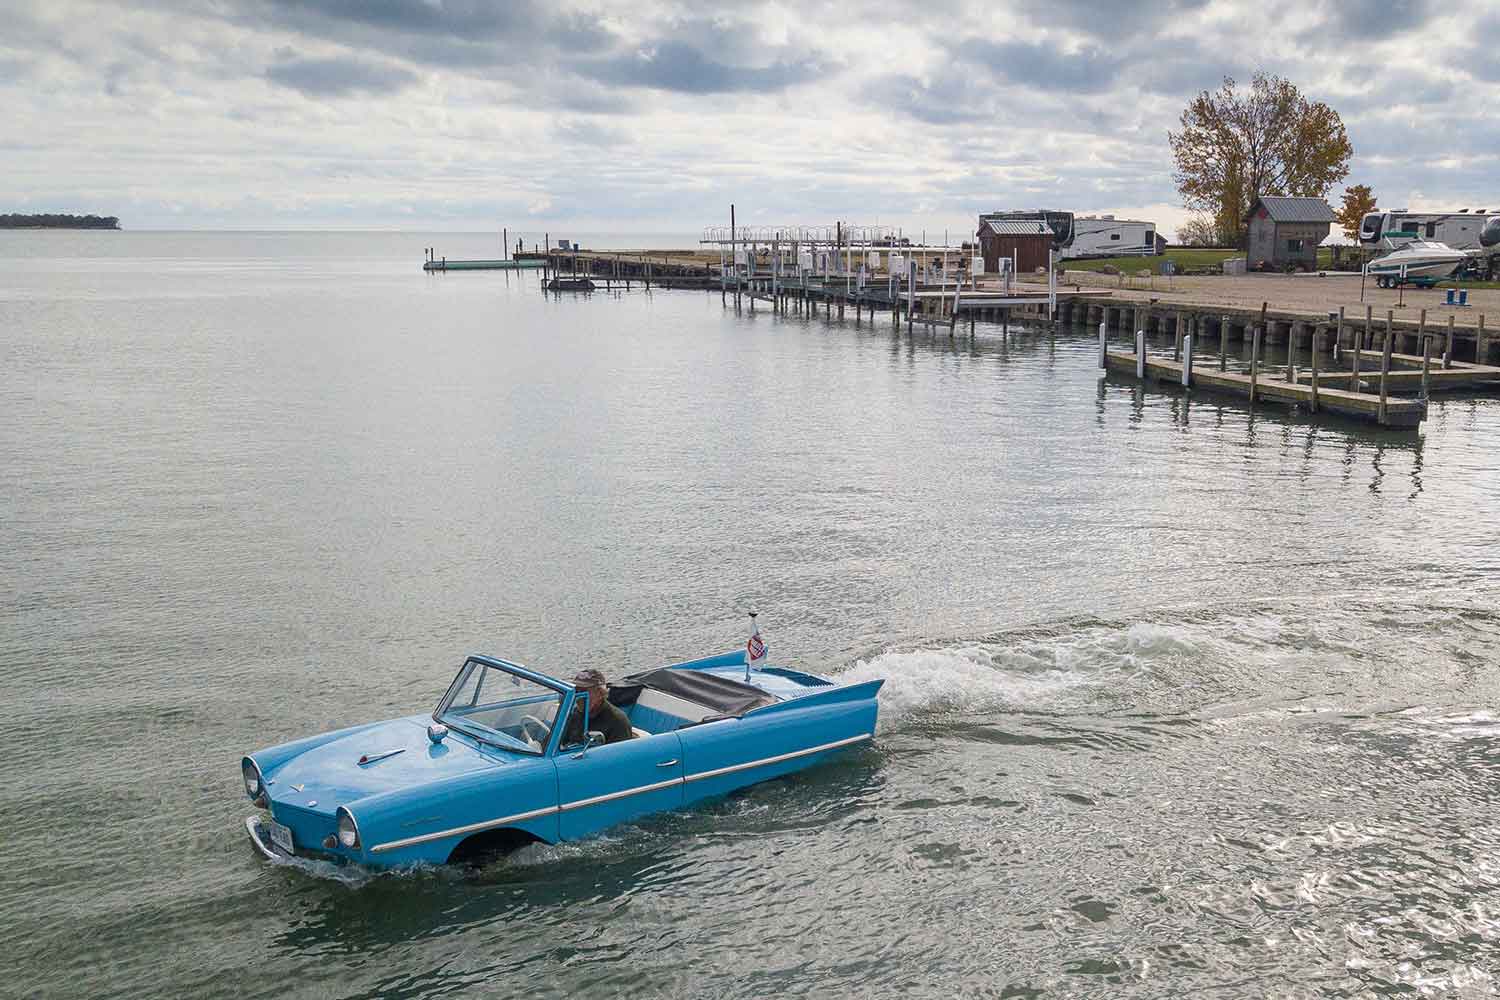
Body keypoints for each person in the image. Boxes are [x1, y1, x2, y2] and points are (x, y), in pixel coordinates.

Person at [561, 669, 634, 748]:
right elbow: (561, 742)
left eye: (583, 691)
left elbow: (618, 756)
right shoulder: (575, 713)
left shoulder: (618, 721)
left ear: (600, 693)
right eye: (576, 691)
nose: (579, 696)